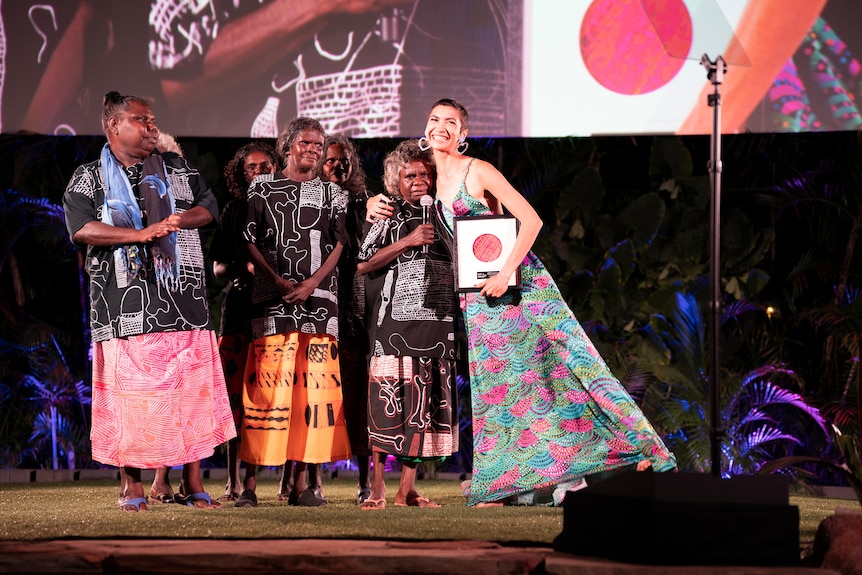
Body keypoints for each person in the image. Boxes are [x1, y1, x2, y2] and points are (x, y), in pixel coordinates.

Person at [421, 98, 677, 507]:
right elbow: (491, 225)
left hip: (521, 287)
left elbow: (531, 220)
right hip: (481, 300)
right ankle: (508, 481)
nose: (441, 127)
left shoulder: (478, 169)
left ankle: (652, 450)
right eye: (435, 119)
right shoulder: (435, 183)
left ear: (463, 135)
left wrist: (506, 273)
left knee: (576, 364)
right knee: (504, 389)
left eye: (451, 122)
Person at [62, 91, 235, 511]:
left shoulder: (176, 167)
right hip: (124, 306)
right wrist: (139, 234)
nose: (151, 126)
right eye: (141, 120)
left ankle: (193, 483)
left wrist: (178, 220)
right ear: (113, 127)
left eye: (153, 119)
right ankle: (132, 485)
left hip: (184, 301)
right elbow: (82, 227)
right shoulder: (89, 177)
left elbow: (208, 206)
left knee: (190, 397)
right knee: (132, 401)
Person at [238, 117, 351, 507]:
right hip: (273, 303)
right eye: (306, 143)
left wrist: (310, 284)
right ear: (287, 146)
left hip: (321, 305)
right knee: (265, 392)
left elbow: (339, 245)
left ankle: (300, 485)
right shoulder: (263, 187)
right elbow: (249, 239)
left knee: (310, 397)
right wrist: (279, 282)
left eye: (319, 145)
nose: (314, 150)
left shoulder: (334, 194)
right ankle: (249, 485)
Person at [356, 139, 458, 509]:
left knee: (423, 408)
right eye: (410, 175)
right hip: (395, 327)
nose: (419, 180)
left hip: (437, 325)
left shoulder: (445, 215)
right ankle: (379, 488)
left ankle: (406, 490)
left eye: (425, 174)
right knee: (388, 405)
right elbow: (362, 263)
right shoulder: (389, 215)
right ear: (395, 180)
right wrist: (409, 241)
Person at [209, 141, 280, 502]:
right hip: (238, 311)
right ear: (241, 174)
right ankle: (233, 481)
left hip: (275, 311)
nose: (259, 172)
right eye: (251, 167)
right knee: (235, 398)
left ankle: (284, 483)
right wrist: (242, 268)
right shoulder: (233, 210)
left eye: (265, 165)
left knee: (271, 398)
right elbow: (217, 267)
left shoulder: (287, 207)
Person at [319, 134, 374, 504]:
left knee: (358, 402)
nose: (338, 166)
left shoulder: (363, 205)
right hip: (319, 315)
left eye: (344, 161)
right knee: (319, 399)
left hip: (354, 318)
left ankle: (366, 483)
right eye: (330, 161)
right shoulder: (307, 204)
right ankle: (310, 479)